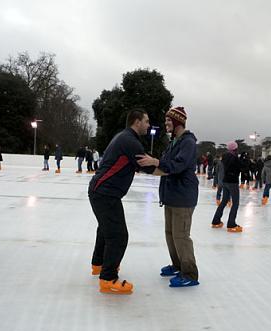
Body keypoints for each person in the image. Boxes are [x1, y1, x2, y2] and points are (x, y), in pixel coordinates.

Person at [88, 108, 155, 295]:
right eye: (146, 121)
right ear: (136, 121)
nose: (148, 125)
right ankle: (108, 279)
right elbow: (148, 168)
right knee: (118, 236)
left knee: (105, 229)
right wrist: (166, 168)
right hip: (105, 193)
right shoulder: (130, 141)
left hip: (101, 191)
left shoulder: (124, 137)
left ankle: (98, 265)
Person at [137, 106, 200, 288]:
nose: (166, 123)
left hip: (183, 196)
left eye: (169, 120)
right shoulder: (173, 142)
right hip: (171, 195)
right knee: (171, 235)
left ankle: (189, 273)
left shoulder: (187, 142)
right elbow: (165, 169)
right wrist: (146, 167)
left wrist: (155, 161)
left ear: (178, 122)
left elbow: (177, 166)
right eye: (166, 120)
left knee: (181, 236)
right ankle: (177, 265)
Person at [210, 141, 243, 232]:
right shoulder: (234, 158)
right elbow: (240, 168)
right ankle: (231, 224)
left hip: (225, 181)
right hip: (232, 182)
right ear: (235, 149)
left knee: (224, 201)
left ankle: (216, 221)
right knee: (235, 203)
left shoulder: (224, 157)